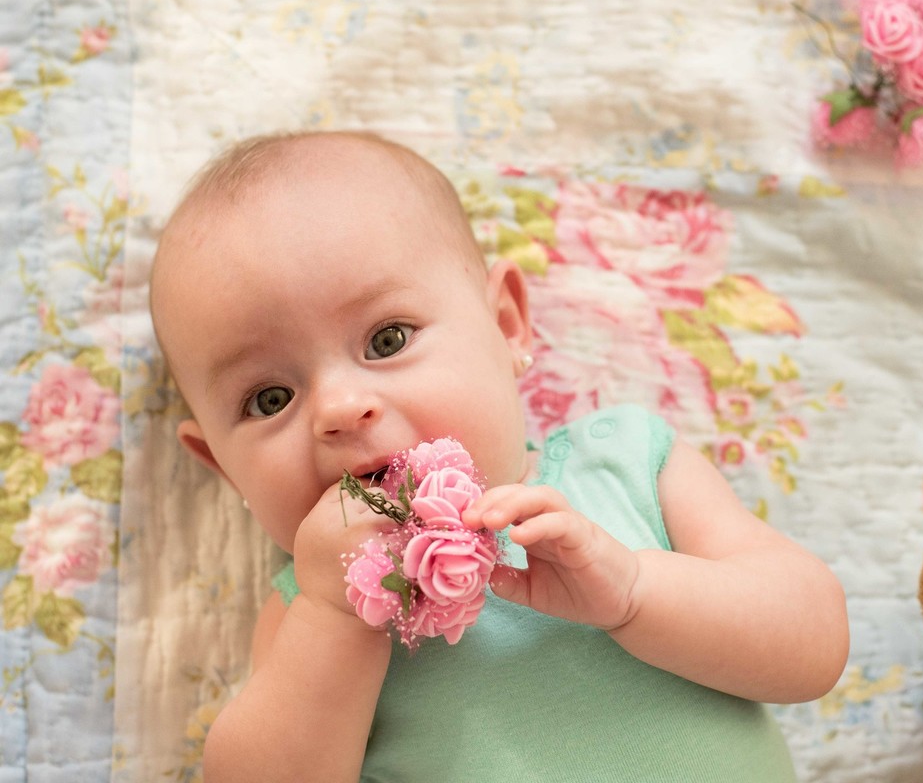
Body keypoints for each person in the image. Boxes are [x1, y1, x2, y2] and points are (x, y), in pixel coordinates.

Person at [149, 130, 849, 783]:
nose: (338, 409)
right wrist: (336, 618)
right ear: (221, 467)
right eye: (270, 399)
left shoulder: (626, 465)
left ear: (507, 325)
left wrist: (634, 591)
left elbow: (813, 645)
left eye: (387, 340)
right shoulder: (312, 606)